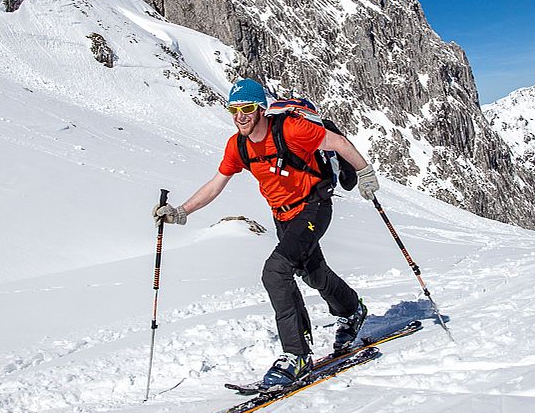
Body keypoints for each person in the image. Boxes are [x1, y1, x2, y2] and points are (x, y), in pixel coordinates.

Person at [153, 78, 381, 388]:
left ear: (261, 108)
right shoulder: (239, 145)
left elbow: (337, 143)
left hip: (313, 206)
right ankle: (351, 310)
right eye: (234, 110)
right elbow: (216, 183)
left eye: (246, 108)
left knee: (275, 271)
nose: (240, 116)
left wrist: (365, 173)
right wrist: (181, 211)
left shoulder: (291, 130)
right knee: (311, 271)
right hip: (282, 216)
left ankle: (297, 356)